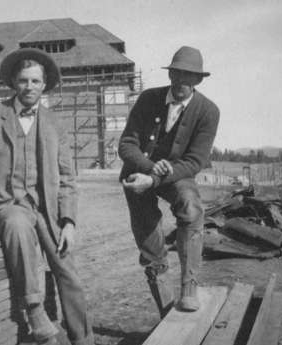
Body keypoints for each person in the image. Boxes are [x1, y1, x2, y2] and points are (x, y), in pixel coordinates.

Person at [0, 48, 93, 345]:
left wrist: (70, 222)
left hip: (46, 210)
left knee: (68, 272)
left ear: (44, 84)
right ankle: (34, 310)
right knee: (18, 226)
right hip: (6, 204)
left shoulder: (54, 123)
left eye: (36, 81)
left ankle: (83, 340)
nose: (30, 87)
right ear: (13, 82)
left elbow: (67, 178)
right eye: (24, 81)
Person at [118, 46, 220, 316]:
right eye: (176, 74)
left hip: (176, 176)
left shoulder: (208, 111)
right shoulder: (148, 99)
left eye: (189, 77)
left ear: (199, 80)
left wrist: (159, 177)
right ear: (170, 74)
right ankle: (164, 303)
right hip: (139, 171)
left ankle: (189, 286)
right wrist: (150, 169)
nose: (181, 83)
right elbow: (127, 144)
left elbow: (195, 161)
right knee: (148, 235)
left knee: (191, 207)